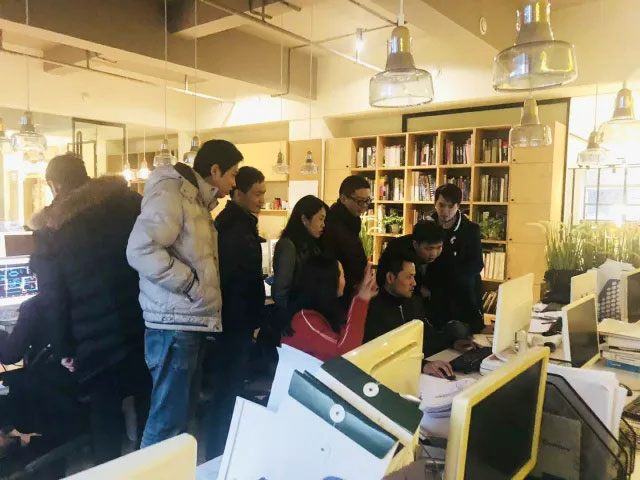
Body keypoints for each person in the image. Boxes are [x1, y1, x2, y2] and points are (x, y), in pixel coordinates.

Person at [29, 153, 150, 465]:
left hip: (93, 340)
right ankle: (153, 467)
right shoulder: (128, 204)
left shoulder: (52, 228)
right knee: (146, 405)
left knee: (105, 417)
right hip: (141, 323)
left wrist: (63, 349)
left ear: (54, 186)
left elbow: (53, 297)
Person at [126, 139, 242, 449]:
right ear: (215, 171)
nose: (234, 182)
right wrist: (189, 284)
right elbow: (140, 249)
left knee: (179, 419)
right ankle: (149, 471)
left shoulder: (195, 200)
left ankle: (167, 469)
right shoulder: (172, 193)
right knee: (167, 421)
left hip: (187, 321)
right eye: (232, 174)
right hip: (173, 324)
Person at [208, 166, 266, 458]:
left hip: (236, 318)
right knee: (227, 389)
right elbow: (233, 279)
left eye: (263, 193)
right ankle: (219, 453)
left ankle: (222, 449)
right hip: (233, 320)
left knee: (229, 387)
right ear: (238, 193)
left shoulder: (240, 222)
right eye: (257, 193)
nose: (262, 199)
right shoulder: (234, 227)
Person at [0, 295, 88, 477]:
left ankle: (13, 447)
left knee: (11, 389)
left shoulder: (34, 307)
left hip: (55, 401)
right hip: (86, 388)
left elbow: (10, 354)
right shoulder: (84, 298)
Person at [364, 249, 469, 379]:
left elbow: (427, 334)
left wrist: (453, 342)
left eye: (414, 276)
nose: (414, 283)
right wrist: (423, 365)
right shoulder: (372, 309)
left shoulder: (413, 302)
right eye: (409, 277)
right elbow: (384, 355)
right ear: (390, 278)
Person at [281, 257, 377, 362]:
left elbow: (345, 337)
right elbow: (345, 354)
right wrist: (361, 300)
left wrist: (358, 296)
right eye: (342, 275)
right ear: (329, 282)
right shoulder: (304, 321)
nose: (345, 280)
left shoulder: (321, 312)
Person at [430, 184, 486, 334]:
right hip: (434, 288)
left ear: (458, 206)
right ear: (435, 203)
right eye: (441, 205)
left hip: (462, 287)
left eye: (451, 206)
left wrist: (454, 277)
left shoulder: (470, 229)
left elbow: (477, 264)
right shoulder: (427, 226)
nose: (445, 211)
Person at [272, 195, 328, 311]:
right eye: (320, 219)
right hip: (294, 315)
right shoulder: (288, 246)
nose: (323, 224)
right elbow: (281, 292)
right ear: (305, 220)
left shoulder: (313, 245)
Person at [323, 175, 371, 307]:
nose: (364, 206)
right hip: (340, 294)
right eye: (359, 201)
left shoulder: (352, 221)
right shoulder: (332, 224)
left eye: (367, 201)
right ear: (343, 198)